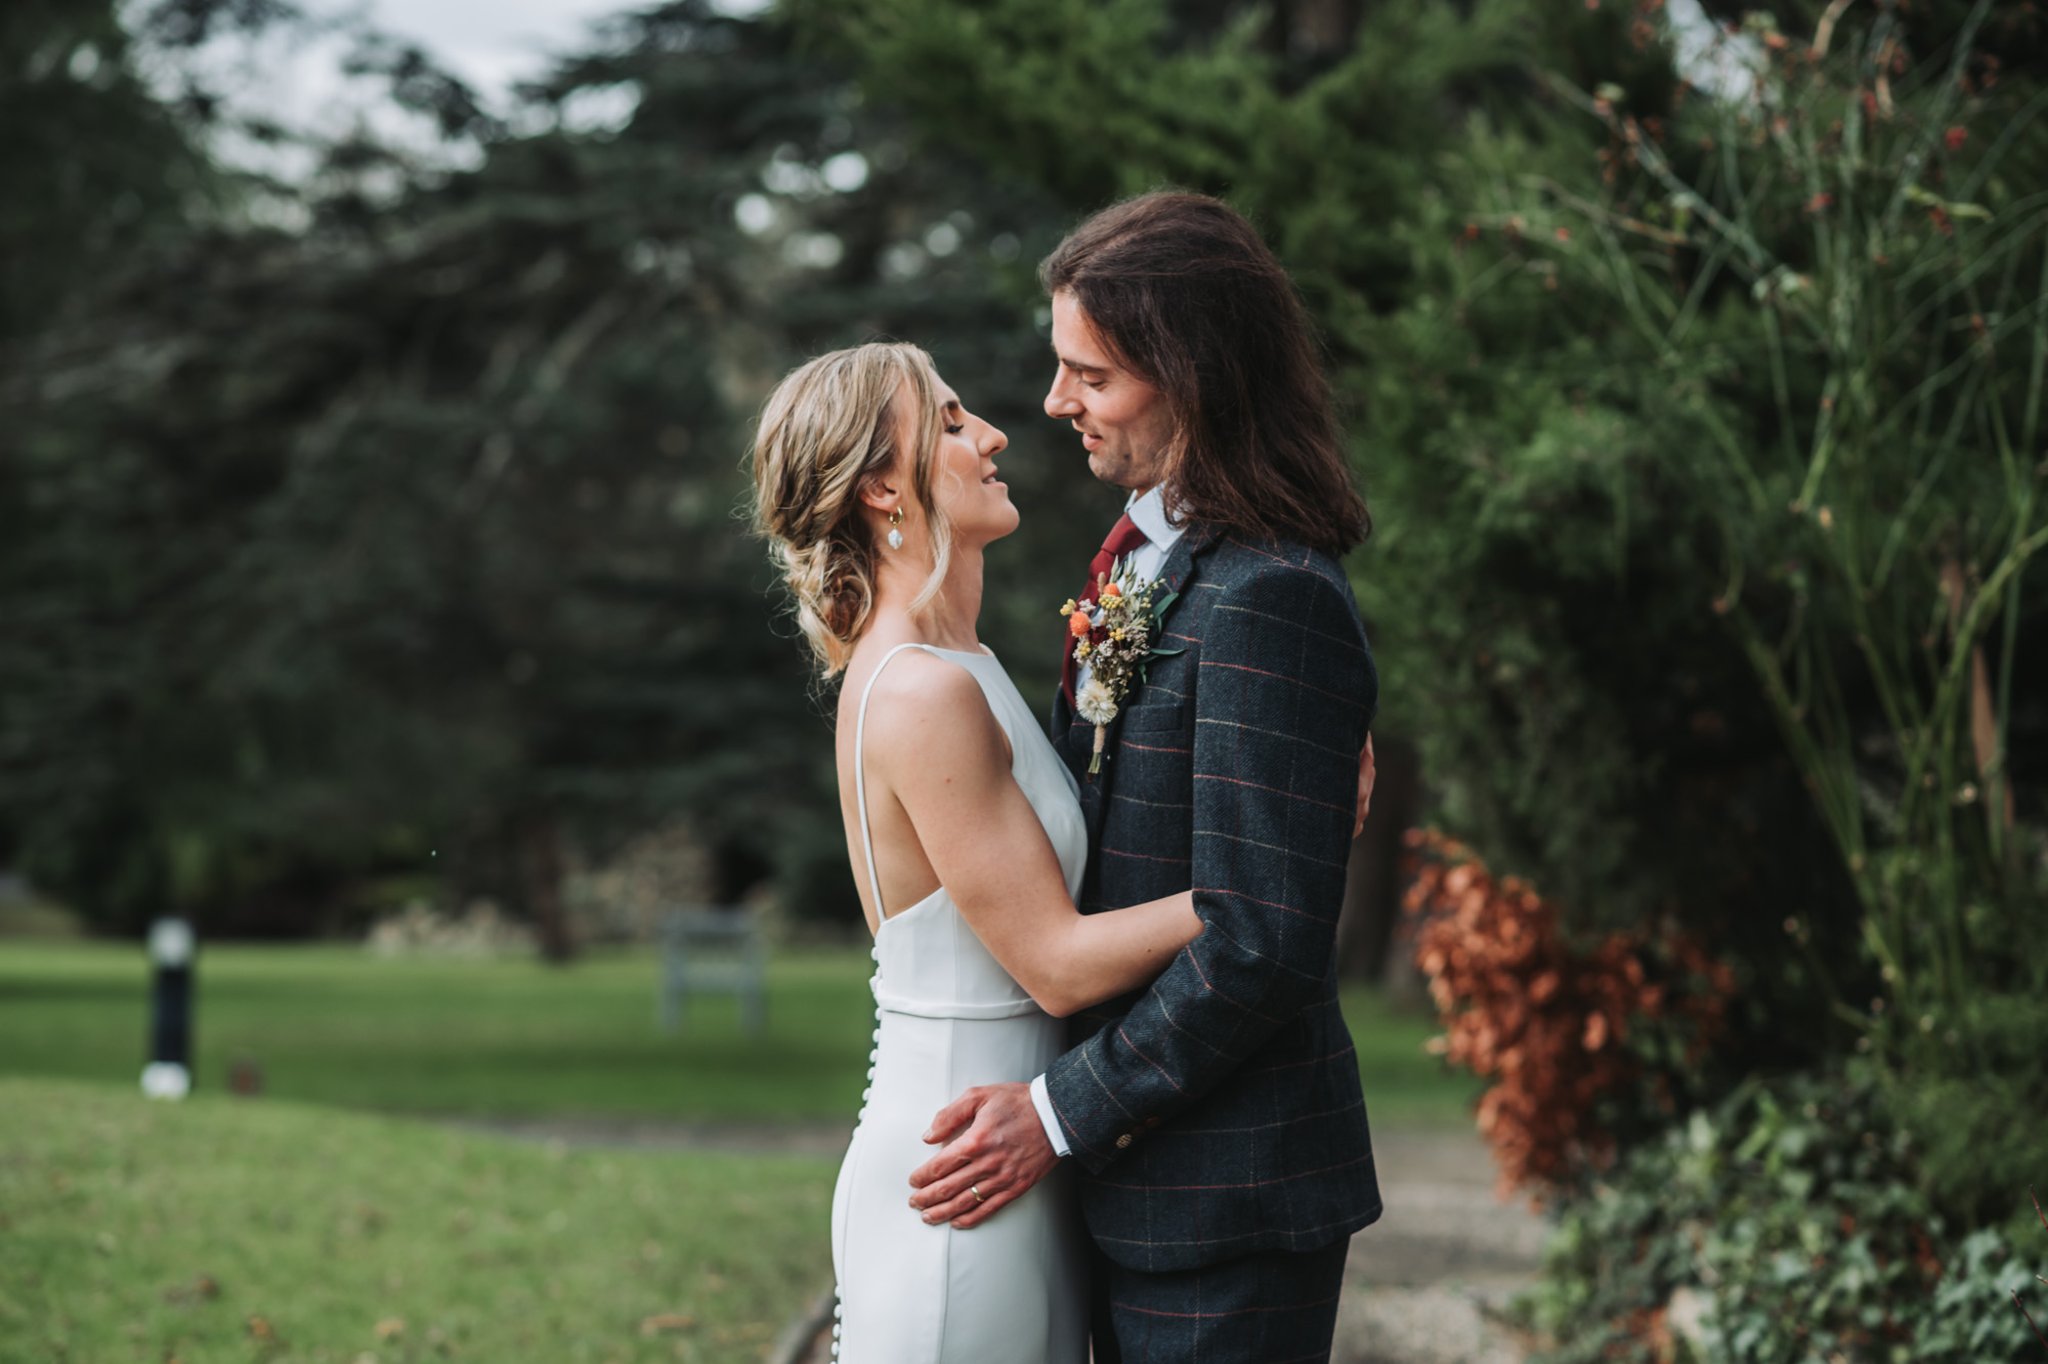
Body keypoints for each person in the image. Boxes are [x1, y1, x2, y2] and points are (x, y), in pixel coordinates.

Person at [904, 190, 1383, 1363]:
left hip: (1224, 1197)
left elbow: (1261, 938)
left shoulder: (1270, 595)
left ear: (1190, 376)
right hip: (1132, 1185)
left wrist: (1055, 1114)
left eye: (1092, 375)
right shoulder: (1145, 562)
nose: (1054, 401)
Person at [750, 340, 1207, 1364]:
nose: (994, 434)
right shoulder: (922, 689)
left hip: (1010, 1154)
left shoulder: (963, 664)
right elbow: (1056, 963)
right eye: (953, 422)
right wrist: (1257, 884)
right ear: (881, 487)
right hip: (960, 1180)